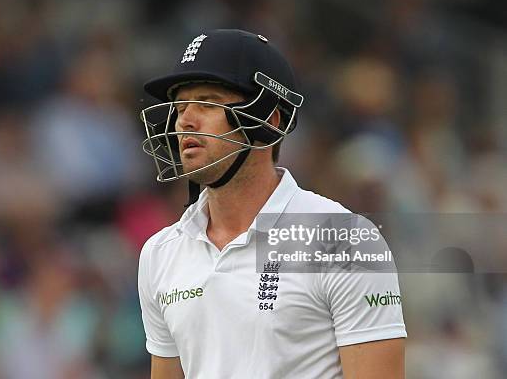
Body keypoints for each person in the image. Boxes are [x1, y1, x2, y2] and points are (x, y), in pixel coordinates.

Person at [138, 29, 406, 378]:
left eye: (206, 103)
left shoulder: (344, 239)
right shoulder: (160, 254)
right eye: (179, 107)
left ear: (268, 119)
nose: (183, 121)